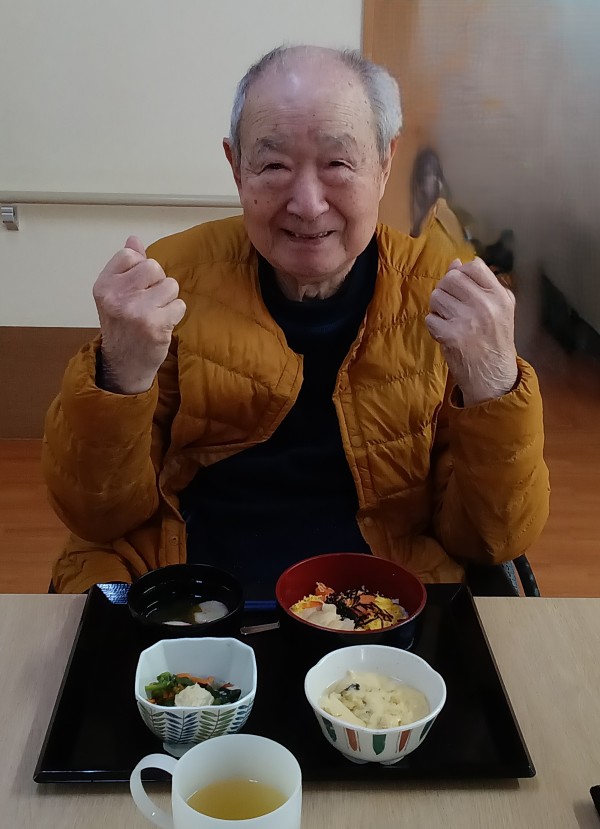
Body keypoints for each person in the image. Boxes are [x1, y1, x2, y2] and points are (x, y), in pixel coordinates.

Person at [43, 45, 549, 595]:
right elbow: (100, 515)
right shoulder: (173, 282)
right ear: (236, 168)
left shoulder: (441, 298)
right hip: (193, 591)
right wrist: (118, 374)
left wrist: (494, 384)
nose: (307, 205)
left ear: (384, 164)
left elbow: (491, 538)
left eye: (337, 164)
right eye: (274, 166)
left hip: (383, 599)